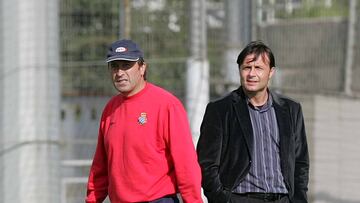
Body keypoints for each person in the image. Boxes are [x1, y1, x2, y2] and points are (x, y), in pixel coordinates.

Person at [86, 39, 203, 203]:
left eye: (126, 65)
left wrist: (193, 200)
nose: (119, 72)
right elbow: (101, 165)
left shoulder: (167, 105)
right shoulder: (110, 109)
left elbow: (185, 163)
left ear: (142, 68)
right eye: (114, 66)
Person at [196, 41, 309, 203]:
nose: (251, 74)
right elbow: (206, 163)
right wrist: (222, 199)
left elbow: (300, 162)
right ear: (240, 70)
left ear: (271, 72)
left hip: (283, 199)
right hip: (240, 198)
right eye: (247, 68)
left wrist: (299, 199)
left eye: (258, 68)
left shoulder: (291, 110)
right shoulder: (220, 110)